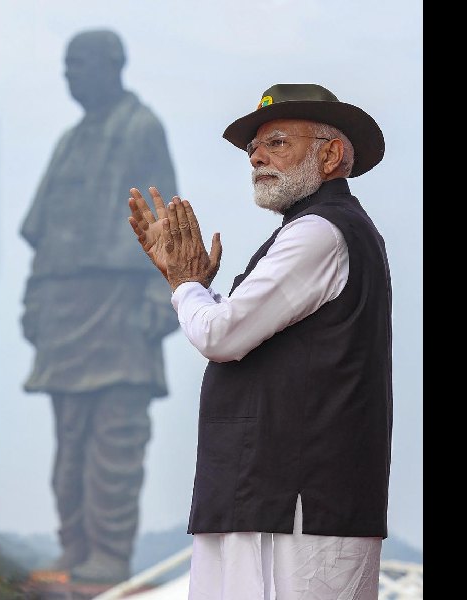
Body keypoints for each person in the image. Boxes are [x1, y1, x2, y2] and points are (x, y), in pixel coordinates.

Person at [127, 83, 392, 599]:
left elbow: (219, 333)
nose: (257, 158)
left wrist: (185, 284)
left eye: (276, 143)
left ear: (331, 153)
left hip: (295, 505)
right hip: (275, 500)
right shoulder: (321, 230)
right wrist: (195, 288)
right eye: (254, 148)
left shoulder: (320, 233)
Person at [18, 29, 180, 584]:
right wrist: (33, 301)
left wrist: (162, 297)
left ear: (112, 65)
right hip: (65, 307)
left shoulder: (141, 128)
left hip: (118, 305)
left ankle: (107, 558)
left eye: (78, 64)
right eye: (64, 66)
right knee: (69, 445)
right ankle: (75, 549)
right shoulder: (70, 139)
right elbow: (42, 236)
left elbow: (164, 221)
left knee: (115, 437)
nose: (69, 75)